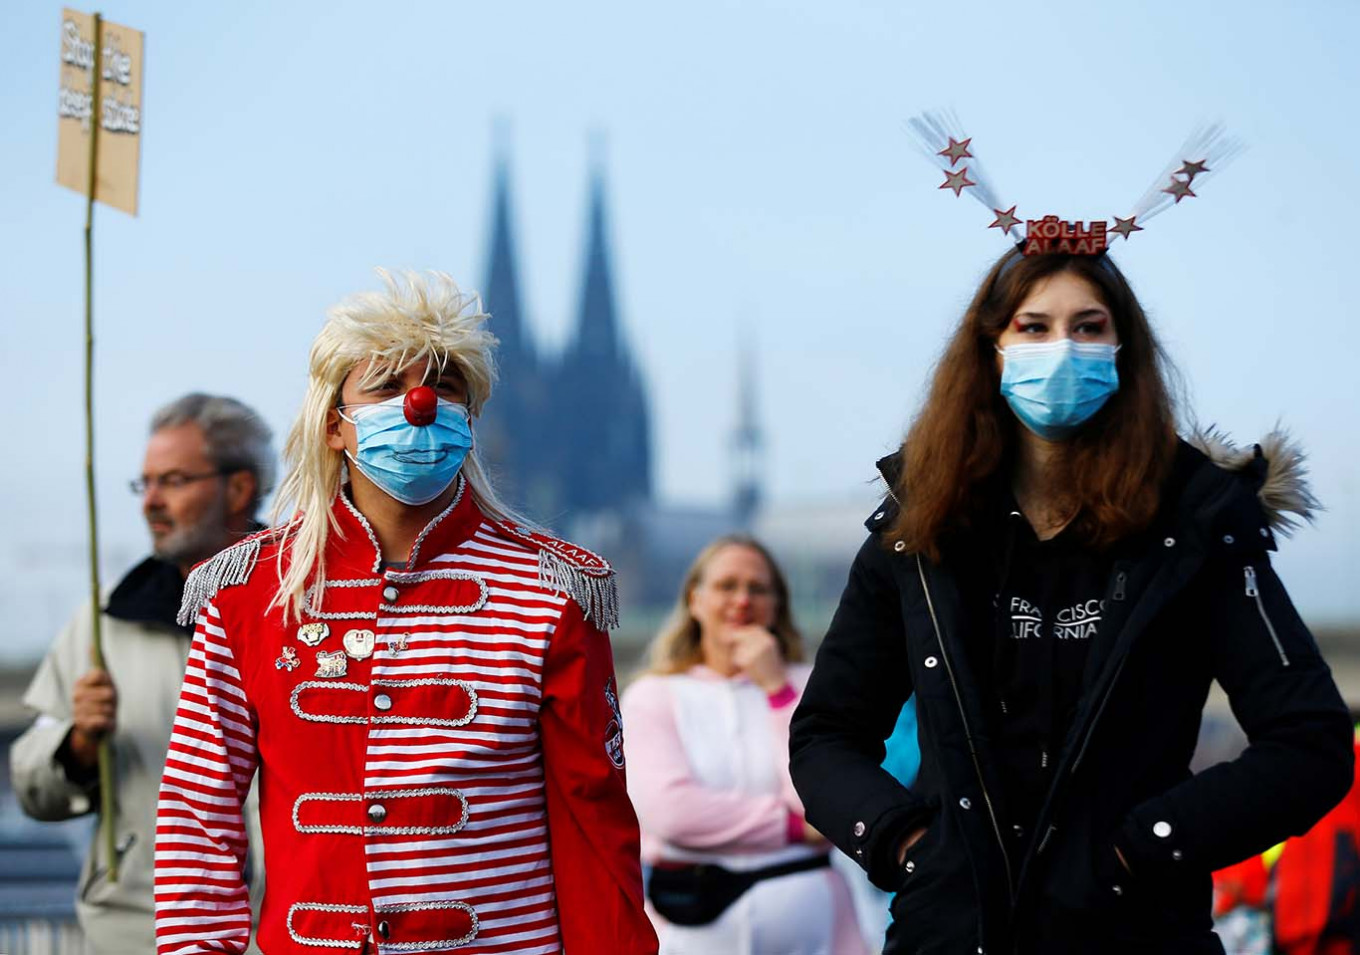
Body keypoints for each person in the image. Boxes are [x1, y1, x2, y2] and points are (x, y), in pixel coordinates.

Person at [788, 246, 1354, 954]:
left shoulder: (1200, 523)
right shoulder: (921, 528)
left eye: (1089, 326)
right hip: (951, 932)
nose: (1062, 349)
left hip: (1136, 932)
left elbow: (1311, 742)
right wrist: (906, 843)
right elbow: (825, 735)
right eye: (1034, 326)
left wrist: (1144, 846)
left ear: (1124, 349)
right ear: (991, 349)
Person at [153, 270, 657, 955]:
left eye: (445, 385)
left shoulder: (553, 590)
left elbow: (593, 821)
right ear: (334, 424)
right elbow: (196, 815)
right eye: (387, 384)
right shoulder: (247, 592)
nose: (419, 403)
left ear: (470, 419)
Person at [11, 393, 273, 955]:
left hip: (285, 933)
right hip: (138, 931)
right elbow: (33, 788)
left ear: (239, 488)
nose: (150, 502)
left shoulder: (310, 613)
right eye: (144, 483)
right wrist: (77, 744)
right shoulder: (103, 624)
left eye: (173, 481)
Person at [621, 535, 868, 954]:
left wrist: (776, 691)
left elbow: (824, 796)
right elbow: (672, 813)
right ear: (695, 599)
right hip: (691, 925)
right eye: (727, 586)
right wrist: (795, 827)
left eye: (758, 588)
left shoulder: (812, 685)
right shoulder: (652, 695)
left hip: (816, 929)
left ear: (777, 603)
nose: (742, 600)